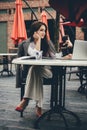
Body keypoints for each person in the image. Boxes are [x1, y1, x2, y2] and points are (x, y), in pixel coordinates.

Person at [15, 21, 56, 117]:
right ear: (34, 32)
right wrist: (38, 41)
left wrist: (65, 57)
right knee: (35, 69)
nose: (44, 33)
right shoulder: (28, 44)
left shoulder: (48, 43)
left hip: (47, 72)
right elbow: (36, 56)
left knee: (34, 69)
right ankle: (39, 106)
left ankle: (25, 99)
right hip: (35, 73)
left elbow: (54, 57)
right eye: (41, 30)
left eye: (45, 30)